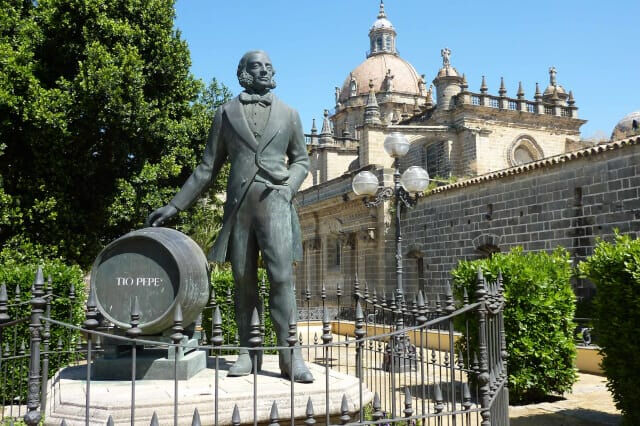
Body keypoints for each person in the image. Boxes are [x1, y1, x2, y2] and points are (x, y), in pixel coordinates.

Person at [146, 50, 313, 382]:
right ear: (244, 73)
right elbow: (207, 168)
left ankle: (290, 356)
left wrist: (288, 188)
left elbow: (302, 161)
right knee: (243, 281)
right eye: (257, 66)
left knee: (281, 279)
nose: (264, 70)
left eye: (268, 65)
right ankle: (248, 354)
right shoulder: (225, 113)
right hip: (239, 208)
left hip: (276, 202)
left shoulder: (289, 114)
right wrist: (175, 205)